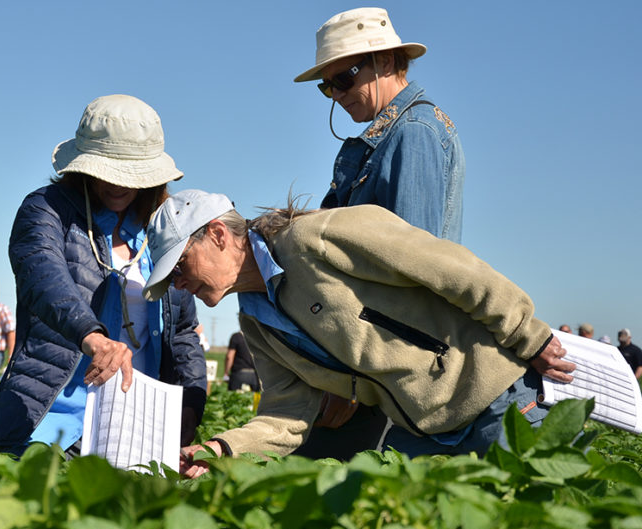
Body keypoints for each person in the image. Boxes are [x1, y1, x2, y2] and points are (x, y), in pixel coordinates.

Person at [141, 190, 575, 476]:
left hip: (498, 401)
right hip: (424, 432)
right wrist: (222, 448)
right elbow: (287, 416)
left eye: (179, 266)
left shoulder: (317, 239)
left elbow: (450, 268)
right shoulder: (257, 324)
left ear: (218, 235)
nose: (178, 284)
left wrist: (526, 333)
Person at [0, 95, 208, 455]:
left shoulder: (161, 229)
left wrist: (191, 406)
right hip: (51, 420)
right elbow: (43, 275)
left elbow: (182, 331)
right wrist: (92, 336)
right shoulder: (47, 209)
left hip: (135, 427)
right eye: (107, 170)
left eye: (131, 173)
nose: (118, 185)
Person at [293, 7, 466, 460]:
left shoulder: (414, 133)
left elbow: (409, 270)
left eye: (345, 79)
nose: (336, 95)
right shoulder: (392, 133)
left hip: (386, 362)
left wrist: (357, 376)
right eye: (327, 85)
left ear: (385, 63)